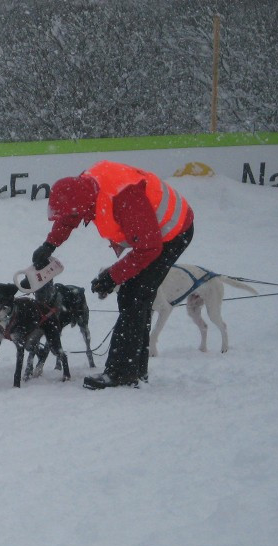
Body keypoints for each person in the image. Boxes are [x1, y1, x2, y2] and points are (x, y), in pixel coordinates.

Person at [30, 160, 194, 390]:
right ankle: (136, 369)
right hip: (150, 235)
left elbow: (149, 248)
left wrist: (113, 276)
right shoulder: (85, 187)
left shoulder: (125, 198)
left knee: (135, 295)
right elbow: (70, 215)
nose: (74, 216)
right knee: (133, 296)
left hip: (172, 234)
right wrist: (50, 244)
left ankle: (122, 373)